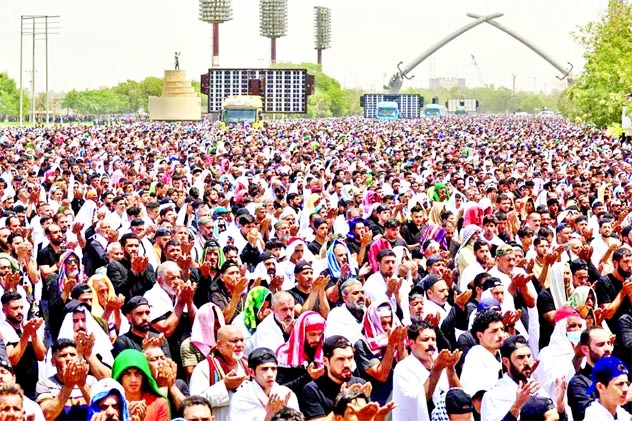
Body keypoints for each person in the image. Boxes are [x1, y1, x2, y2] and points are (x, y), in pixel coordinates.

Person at [481, 335, 566, 421]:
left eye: (528, 356)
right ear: (506, 361)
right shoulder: (493, 396)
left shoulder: (538, 389)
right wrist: (517, 406)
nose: (527, 362)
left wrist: (560, 404)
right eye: (520, 357)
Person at [392, 321, 461, 421]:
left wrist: (450, 369)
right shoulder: (403, 368)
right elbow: (418, 403)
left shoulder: (440, 362)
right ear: (412, 343)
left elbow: (459, 397)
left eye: (433, 339)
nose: (431, 343)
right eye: (425, 340)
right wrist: (437, 370)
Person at [189, 325, 249, 421]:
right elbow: (195, 404)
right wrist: (224, 386)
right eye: (234, 340)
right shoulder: (204, 367)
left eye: (242, 340)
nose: (240, 344)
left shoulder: (247, 366)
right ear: (220, 345)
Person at [302, 335, 367, 421]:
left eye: (350, 358)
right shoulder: (313, 390)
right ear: (325, 361)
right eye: (340, 359)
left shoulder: (360, 384)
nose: (347, 364)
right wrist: (343, 401)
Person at [229, 347, 300, 421]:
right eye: (264, 369)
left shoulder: (286, 394)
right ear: (251, 372)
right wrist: (269, 415)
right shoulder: (241, 397)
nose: (270, 374)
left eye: (273, 369)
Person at [36, 338, 95, 421]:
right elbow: (47, 416)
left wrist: (82, 384)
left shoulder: (90, 381)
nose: (69, 359)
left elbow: (99, 409)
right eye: (63, 355)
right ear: (53, 362)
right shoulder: (45, 384)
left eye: (72, 354)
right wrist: (68, 385)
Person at [276, 311, 326, 403]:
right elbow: (279, 390)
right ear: (301, 333)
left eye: (320, 334)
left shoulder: (325, 352)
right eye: (312, 334)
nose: (317, 339)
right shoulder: (284, 354)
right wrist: (308, 376)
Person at [567, 326, 614, 420]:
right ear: (585, 350)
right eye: (601, 344)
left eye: (609, 343)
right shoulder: (578, 383)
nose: (607, 349)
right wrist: (623, 398)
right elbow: (590, 416)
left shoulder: (618, 377)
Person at [111, 349, 169, 421]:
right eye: (127, 374)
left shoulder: (159, 403)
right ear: (119, 377)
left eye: (138, 373)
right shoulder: (109, 406)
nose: (133, 380)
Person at [325, 279, 366, 345]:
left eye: (362, 293)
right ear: (345, 298)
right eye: (355, 293)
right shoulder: (336, 314)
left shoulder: (370, 312)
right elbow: (336, 341)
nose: (361, 296)